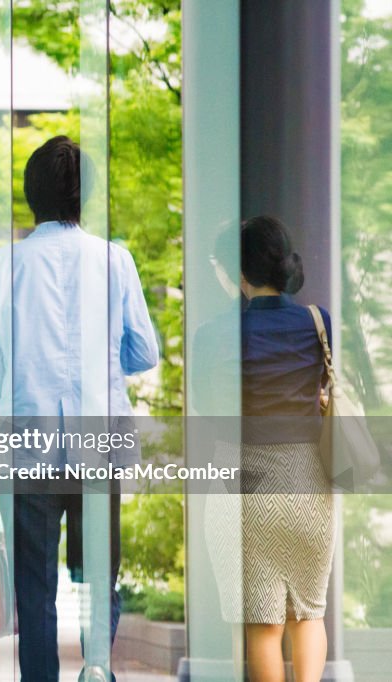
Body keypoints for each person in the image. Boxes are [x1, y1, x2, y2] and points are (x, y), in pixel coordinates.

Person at [0, 136, 159, 681]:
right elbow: (144, 352)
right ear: (86, 197)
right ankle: (97, 670)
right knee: (98, 577)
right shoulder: (114, 261)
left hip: (28, 447)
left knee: (34, 585)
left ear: (31, 196)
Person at [218, 215, 335, 682]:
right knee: (308, 613)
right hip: (311, 483)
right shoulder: (316, 321)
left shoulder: (223, 333)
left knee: (263, 625)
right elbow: (326, 386)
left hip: (252, 488)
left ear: (241, 272)